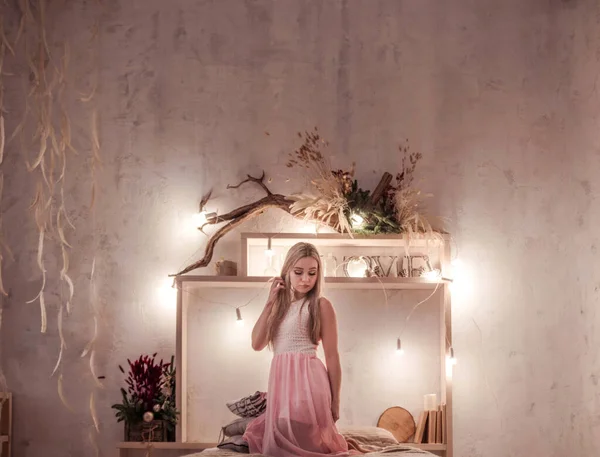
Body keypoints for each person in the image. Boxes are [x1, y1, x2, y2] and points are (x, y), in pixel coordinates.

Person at [243, 242, 360, 457]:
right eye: (298, 272)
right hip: (282, 384)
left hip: (308, 382)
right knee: (275, 444)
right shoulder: (278, 307)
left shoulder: (320, 305)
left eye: (312, 273)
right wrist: (269, 303)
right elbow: (256, 343)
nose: (305, 279)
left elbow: (333, 356)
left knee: (305, 446)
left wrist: (336, 401)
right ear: (287, 271)